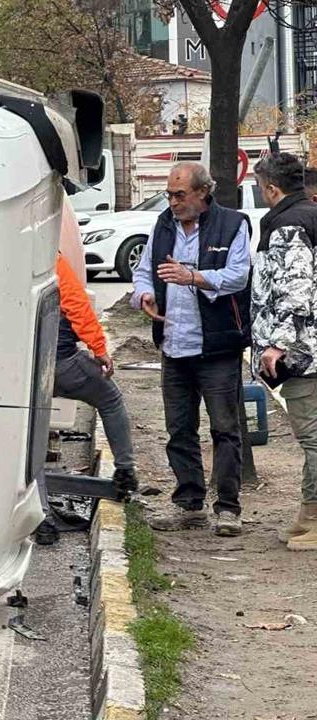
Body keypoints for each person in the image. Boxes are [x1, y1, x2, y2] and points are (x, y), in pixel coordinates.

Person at [131, 161, 252, 537]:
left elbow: (238, 275)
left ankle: (228, 508)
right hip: (174, 344)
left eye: (179, 195)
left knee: (224, 429)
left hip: (217, 347)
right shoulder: (163, 224)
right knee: (179, 429)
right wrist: (144, 294)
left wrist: (194, 277)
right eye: (169, 195)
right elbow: (144, 270)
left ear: (203, 192)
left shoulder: (232, 224)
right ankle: (189, 504)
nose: (173, 202)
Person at [34, 253, 139, 545]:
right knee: (110, 399)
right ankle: (125, 471)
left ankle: (41, 516)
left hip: (17, 369)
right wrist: (99, 348)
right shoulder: (49, 257)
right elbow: (76, 304)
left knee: (28, 441)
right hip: (61, 363)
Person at [250, 153, 317, 551]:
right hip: (308, 346)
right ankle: (308, 516)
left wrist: (277, 344)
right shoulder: (308, 216)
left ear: (272, 189)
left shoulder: (289, 225)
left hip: (302, 352)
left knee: (312, 437)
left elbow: (295, 287)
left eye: (260, 187)